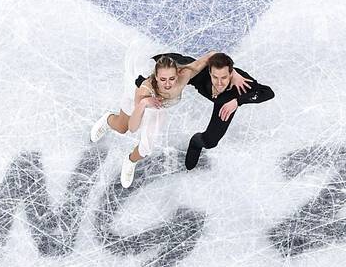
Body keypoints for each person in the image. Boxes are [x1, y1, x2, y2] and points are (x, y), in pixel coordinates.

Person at [89, 50, 221, 187]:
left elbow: (211, 55)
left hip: (156, 110)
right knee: (123, 127)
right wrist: (144, 102)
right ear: (156, 77)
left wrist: (233, 75)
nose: (168, 84)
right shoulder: (144, 91)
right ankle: (108, 119)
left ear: (178, 74)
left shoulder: (185, 75)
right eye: (163, 79)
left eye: (172, 78)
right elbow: (133, 127)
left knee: (146, 147)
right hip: (141, 102)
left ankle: (130, 161)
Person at [137, 52, 275, 170]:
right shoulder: (201, 73)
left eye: (224, 77)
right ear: (209, 72)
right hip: (210, 86)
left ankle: (196, 142)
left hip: (226, 104)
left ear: (231, 73)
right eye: (215, 77)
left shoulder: (242, 83)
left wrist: (237, 101)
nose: (219, 83)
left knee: (210, 141)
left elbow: (268, 92)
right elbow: (178, 65)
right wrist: (143, 82)